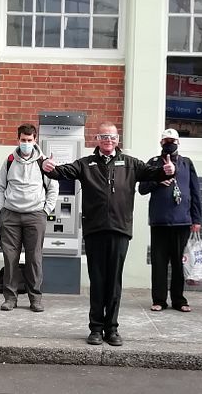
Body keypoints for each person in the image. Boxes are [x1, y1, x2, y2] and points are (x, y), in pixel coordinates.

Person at [42, 122, 175, 346]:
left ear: (117, 139)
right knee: (98, 280)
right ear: (97, 139)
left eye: (112, 137)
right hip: (95, 229)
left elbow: (153, 173)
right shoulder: (86, 164)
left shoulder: (130, 164)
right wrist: (47, 166)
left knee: (114, 282)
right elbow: (62, 172)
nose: (108, 140)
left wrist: (167, 170)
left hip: (120, 229)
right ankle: (95, 329)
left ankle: (112, 329)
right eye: (104, 136)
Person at [0, 123, 58, 313]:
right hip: (11, 216)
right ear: (18, 139)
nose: (26, 143)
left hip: (35, 216)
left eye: (30, 140)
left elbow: (53, 189)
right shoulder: (10, 160)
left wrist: (45, 211)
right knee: (10, 258)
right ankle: (10, 299)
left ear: (35, 140)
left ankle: (35, 299)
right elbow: (0, 188)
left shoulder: (44, 162)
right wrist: (1, 210)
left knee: (34, 259)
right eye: (23, 140)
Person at [138, 128, 202, 313]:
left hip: (182, 221)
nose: (169, 144)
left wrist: (196, 219)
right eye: (166, 141)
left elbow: (195, 192)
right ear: (161, 143)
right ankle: (159, 299)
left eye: (172, 140)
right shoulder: (153, 163)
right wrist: (158, 180)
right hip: (159, 221)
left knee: (179, 262)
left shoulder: (186, 163)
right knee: (158, 263)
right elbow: (142, 188)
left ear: (178, 143)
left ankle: (179, 299)